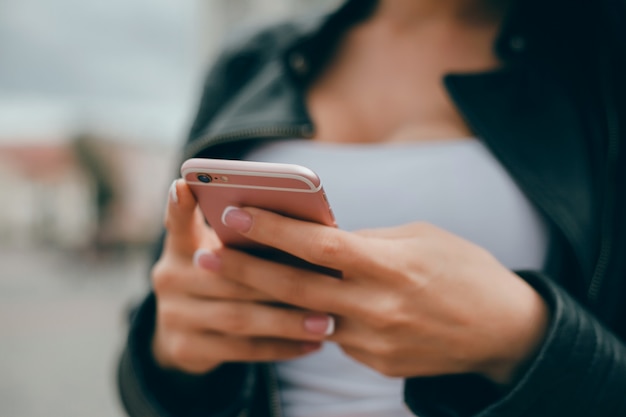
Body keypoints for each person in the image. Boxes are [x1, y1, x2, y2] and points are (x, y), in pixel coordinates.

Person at [117, 0, 626, 416]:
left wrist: (526, 338)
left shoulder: (601, 52)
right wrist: (170, 351)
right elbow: (151, 355)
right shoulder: (249, 61)